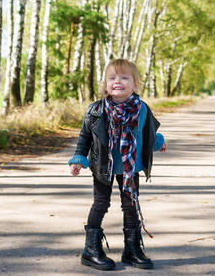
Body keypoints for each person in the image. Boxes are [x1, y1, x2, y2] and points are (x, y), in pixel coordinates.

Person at [68, 58, 167, 271]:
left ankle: (131, 249)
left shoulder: (142, 109)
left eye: (124, 77)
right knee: (101, 203)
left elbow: (148, 133)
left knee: (131, 205)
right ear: (105, 84)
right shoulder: (96, 110)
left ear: (135, 83)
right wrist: (79, 158)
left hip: (131, 168)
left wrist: (159, 141)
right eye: (112, 78)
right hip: (103, 166)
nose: (117, 82)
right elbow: (85, 137)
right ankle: (91, 250)